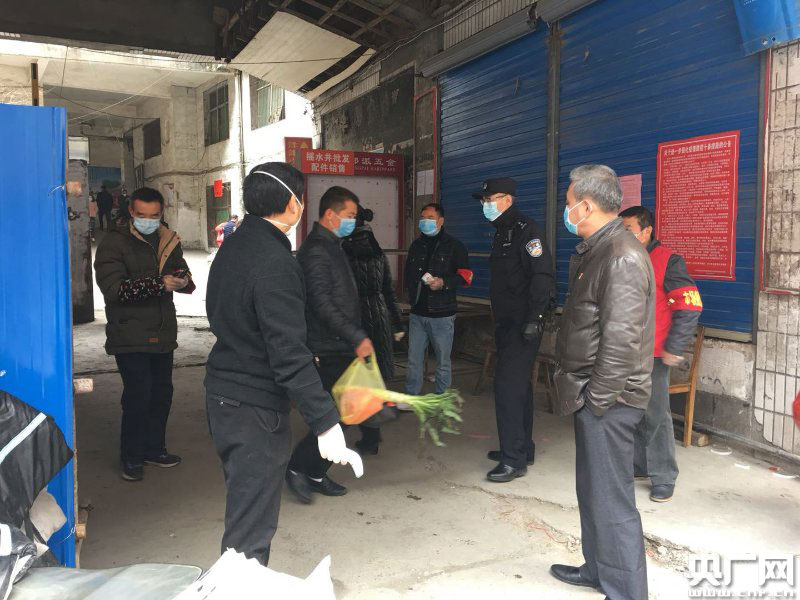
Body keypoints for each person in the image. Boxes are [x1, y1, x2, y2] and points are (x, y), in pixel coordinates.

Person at [204, 163, 362, 566]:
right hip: (253, 406)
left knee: (245, 508)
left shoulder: (234, 246)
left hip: (225, 395)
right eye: (301, 197)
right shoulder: (274, 261)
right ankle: (238, 589)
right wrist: (326, 423)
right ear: (293, 203)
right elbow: (288, 352)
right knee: (250, 531)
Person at [549, 165, 655, 600]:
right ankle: (599, 569)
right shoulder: (599, 249)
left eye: (569, 203)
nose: (566, 211)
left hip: (610, 401)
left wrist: (597, 401)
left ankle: (626, 589)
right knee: (593, 492)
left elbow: (622, 341)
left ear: (587, 205)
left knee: (611, 498)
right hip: (593, 396)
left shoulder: (621, 256)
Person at [94, 187, 196, 482]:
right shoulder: (114, 243)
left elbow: (181, 270)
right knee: (138, 395)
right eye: (142, 215)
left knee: (162, 394)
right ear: (131, 212)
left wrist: (182, 279)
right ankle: (132, 456)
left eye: (154, 216)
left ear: (161, 213)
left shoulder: (167, 238)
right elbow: (113, 290)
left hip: (162, 331)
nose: (148, 221)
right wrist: (158, 284)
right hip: (129, 333)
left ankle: (154, 449)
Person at [286, 186, 374, 504]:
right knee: (334, 416)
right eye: (350, 215)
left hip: (339, 343)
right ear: (330, 214)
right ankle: (298, 468)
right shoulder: (317, 251)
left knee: (348, 413)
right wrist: (356, 336)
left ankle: (315, 472)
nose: (353, 221)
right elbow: (321, 303)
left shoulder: (333, 245)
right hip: (327, 346)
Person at [620, 205, 702, 503]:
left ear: (646, 231)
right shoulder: (623, 258)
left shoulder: (669, 261)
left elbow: (690, 306)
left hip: (654, 353)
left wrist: (674, 346)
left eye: (628, 230)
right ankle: (639, 465)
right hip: (624, 350)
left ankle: (664, 476)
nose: (623, 235)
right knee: (630, 411)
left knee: (656, 415)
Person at [475, 178, 554, 483]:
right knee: (519, 388)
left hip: (523, 325)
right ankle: (522, 448)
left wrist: (535, 318)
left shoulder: (526, 231)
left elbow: (542, 275)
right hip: (506, 324)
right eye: (484, 201)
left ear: (507, 199)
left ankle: (513, 460)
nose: (486, 205)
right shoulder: (502, 232)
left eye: (490, 199)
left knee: (507, 389)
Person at [342, 205, 404, 455]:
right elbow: (388, 290)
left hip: (354, 318)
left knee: (349, 379)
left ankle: (342, 430)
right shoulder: (377, 250)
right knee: (371, 377)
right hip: (378, 316)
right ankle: (371, 436)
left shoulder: (343, 250)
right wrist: (397, 323)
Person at [404, 203, 471, 402]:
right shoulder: (416, 246)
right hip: (418, 312)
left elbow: (466, 276)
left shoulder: (454, 246)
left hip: (442, 313)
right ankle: (412, 395)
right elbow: (408, 274)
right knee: (414, 359)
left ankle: (442, 397)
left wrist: (443, 283)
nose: (425, 221)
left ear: (441, 221)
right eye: (422, 217)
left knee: (442, 360)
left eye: (430, 218)